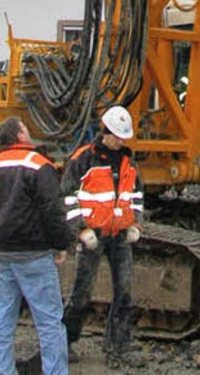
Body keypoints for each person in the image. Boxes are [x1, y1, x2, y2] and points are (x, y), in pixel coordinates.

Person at [0, 116, 70, 375]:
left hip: (2, 253)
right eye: (26, 128)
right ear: (20, 136)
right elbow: (53, 209)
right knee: (49, 323)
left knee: (2, 320)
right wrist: (61, 244)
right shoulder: (37, 164)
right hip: (34, 254)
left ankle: (4, 371)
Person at [61, 106, 143, 366]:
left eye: (123, 137)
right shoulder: (84, 159)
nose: (121, 141)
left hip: (119, 235)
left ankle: (118, 346)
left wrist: (136, 225)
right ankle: (64, 343)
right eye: (117, 136)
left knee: (125, 291)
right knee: (81, 293)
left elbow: (137, 197)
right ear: (105, 132)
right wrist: (81, 230)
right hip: (93, 234)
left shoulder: (129, 162)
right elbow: (66, 196)